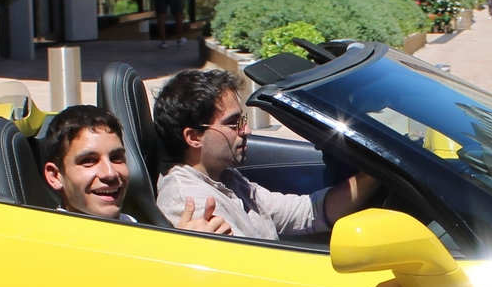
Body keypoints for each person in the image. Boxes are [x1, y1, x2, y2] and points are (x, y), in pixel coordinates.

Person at [152, 67, 377, 239]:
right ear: (193, 137)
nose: (246, 130)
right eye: (233, 124)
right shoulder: (192, 205)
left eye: (243, 120)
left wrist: (376, 173)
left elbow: (309, 213)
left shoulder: (226, 179)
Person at [39, 104, 225, 232]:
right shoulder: (58, 245)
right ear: (55, 176)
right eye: (89, 161)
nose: (110, 173)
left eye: (117, 158)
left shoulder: (129, 224)